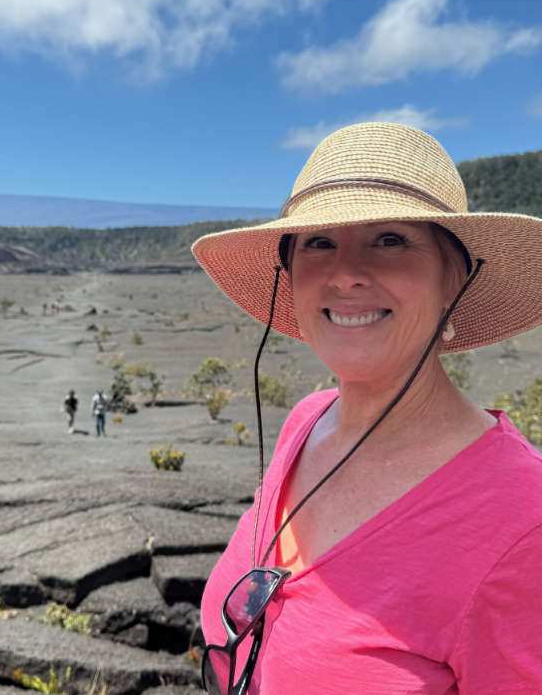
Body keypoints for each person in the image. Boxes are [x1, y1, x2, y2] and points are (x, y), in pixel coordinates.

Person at [191, 121, 542, 695]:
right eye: (319, 242)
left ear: (456, 278)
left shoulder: (522, 525)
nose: (347, 273)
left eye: (390, 240)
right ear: (290, 277)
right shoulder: (306, 422)